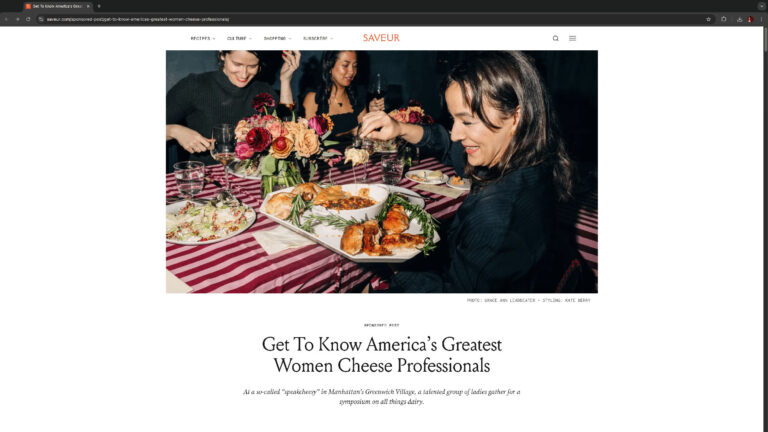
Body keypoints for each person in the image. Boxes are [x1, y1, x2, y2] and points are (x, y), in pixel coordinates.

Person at [359, 51, 592, 293]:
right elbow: (449, 146)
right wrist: (400, 128)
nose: (455, 134)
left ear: (516, 117)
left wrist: (398, 267)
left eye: (467, 122)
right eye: (454, 120)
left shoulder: (496, 215)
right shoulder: (533, 159)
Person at [166, 50, 301, 164]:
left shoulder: (263, 90)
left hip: (249, 180)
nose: (244, 74)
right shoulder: (194, 85)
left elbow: (289, 130)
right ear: (222, 54)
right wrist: (174, 131)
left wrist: (285, 81)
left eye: (252, 66)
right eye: (237, 64)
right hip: (207, 179)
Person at [302, 51, 384, 141]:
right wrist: (350, 133)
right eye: (345, 65)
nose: (352, 71)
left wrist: (372, 115)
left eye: (355, 66)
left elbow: (366, 140)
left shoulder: (357, 97)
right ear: (329, 66)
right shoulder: (313, 99)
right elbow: (308, 142)